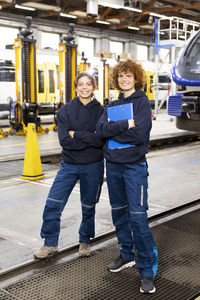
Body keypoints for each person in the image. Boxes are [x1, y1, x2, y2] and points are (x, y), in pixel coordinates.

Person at [96, 59, 158, 294]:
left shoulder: (142, 103)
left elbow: (139, 134)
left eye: (128, 76)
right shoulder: (112, 104)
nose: (124, 80)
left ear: (136, 79)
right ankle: (126, 255)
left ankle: (147, 271)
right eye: (121, 76)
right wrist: (124, 125)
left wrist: (115, 131)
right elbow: (101, 131)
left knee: (138, 218)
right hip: (112, 167)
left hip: (134, 167)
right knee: (119, 213)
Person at [34, 72, 104, 259]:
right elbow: (65, 141)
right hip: (69, 165)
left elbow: (101, 140)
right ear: (75, 87)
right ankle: (50, 243)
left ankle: (85, 241)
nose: (84, 87)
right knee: (53, 203)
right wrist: (90, 138)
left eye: (88, 84)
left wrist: (78, 135)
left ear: (93, 87)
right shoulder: (65, 110)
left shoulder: (101, 111)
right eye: (80, 84)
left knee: (88, 206)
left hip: (93, 165)